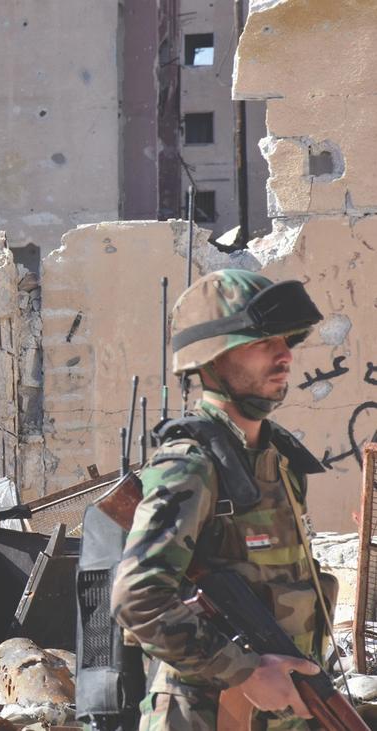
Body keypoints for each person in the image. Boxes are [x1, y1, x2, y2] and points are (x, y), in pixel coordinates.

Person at [110, 270, 333, 729]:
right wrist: (244, 671)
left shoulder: (279, 460)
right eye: (263, 342)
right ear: (212, 357)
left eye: (287, 341)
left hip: (281, 711)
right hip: (202, 714)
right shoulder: (190, 464)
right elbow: (138, 599)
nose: (285, 355)